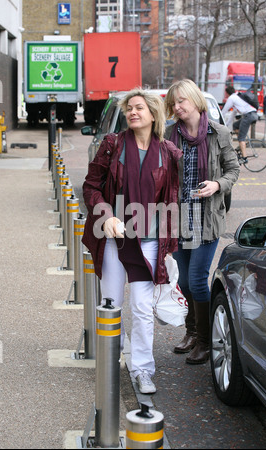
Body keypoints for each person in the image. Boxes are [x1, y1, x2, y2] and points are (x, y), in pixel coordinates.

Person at [82, 88, 182, 393]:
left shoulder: (168, 152)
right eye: (129, 109)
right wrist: (107, 215)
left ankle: (141, 369)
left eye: (139, 108)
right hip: (115, 240)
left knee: (141, 307)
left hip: (149, 242)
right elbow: (91, 186)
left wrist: (168, 247)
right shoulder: (113, 145)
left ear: (153, 114)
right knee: (111, 304)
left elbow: (172, 201)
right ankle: (111, 359)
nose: (132, 112)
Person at [165, 79, 240, 365]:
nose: (177, 107)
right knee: (183, 280)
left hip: (207, 218)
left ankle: (207, 343)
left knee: (197, 279)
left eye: (181, 101)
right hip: (178, 217)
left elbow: (233, 170)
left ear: (196, 101)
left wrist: (218, 185)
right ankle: (192, 333)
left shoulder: (218, 132)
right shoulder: (171, 135)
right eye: (173, 104)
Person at [222, 85, 258, 159]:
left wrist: (221, 122)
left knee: (241, 138)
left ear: (227, 93)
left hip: (248, 115)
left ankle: (244, 157)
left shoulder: (231, 98)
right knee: (235, 125)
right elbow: (233, 115)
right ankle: (241, 144)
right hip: (254, 114)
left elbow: (224, 112)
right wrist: (226, 124)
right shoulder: (237, 97)